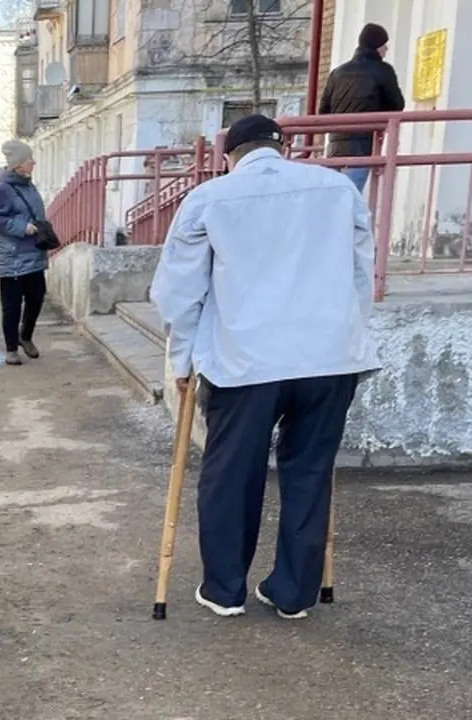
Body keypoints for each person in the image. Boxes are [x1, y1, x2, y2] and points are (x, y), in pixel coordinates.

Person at [150, 115, 381, 620]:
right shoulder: (338, 190)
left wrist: (181, 359)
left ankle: (225, 589)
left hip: (244, 360)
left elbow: (179, 292)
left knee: (232, 473)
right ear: (284, 147)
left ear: (229, 156)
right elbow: (363, 272)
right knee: (310, 472)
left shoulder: (211, 198)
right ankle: (294, 593)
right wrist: (350, 332)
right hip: (328, 357)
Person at [319, 22, 406, 192]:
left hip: (335, 149)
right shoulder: (383, 70)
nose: (386, 49)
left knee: (336, 196)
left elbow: (323, 110)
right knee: (351, 195)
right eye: (384, 44)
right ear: (377, 46)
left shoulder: (337, 73)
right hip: (363, 147)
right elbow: (397, 105)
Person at [0, 139, 49, 366]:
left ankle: (25, 336)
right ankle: (11, 349)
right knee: (12, 305)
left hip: (34, 254)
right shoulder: (3, 189)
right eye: (29, 158)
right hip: (12, 257)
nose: (33, 162)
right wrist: (22, 227)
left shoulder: (29, 185)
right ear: (18, 163)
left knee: (37, 297)